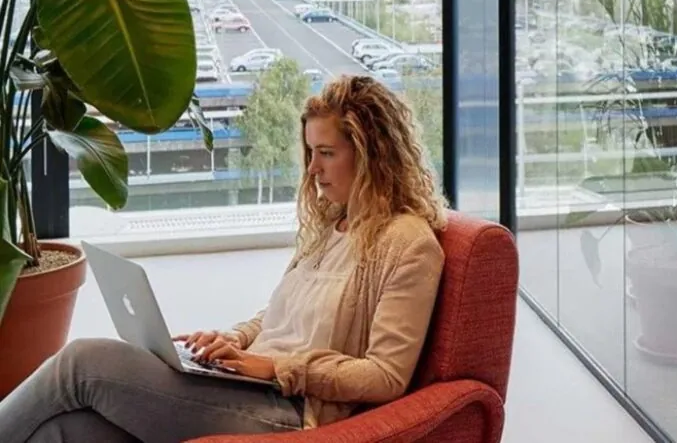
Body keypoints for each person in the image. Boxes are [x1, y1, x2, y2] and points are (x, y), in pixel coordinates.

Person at [0, 75, 447, 443]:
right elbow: (279, 317)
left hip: (292, 411)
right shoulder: (334, 226)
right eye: (311, 153)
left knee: (83, 362)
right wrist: (230, 340)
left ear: (372, 155)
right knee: (64, 431)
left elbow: (386, 375)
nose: (312, 169)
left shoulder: (408, 244)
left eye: (327, 153)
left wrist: (276, 367)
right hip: (251, 386)